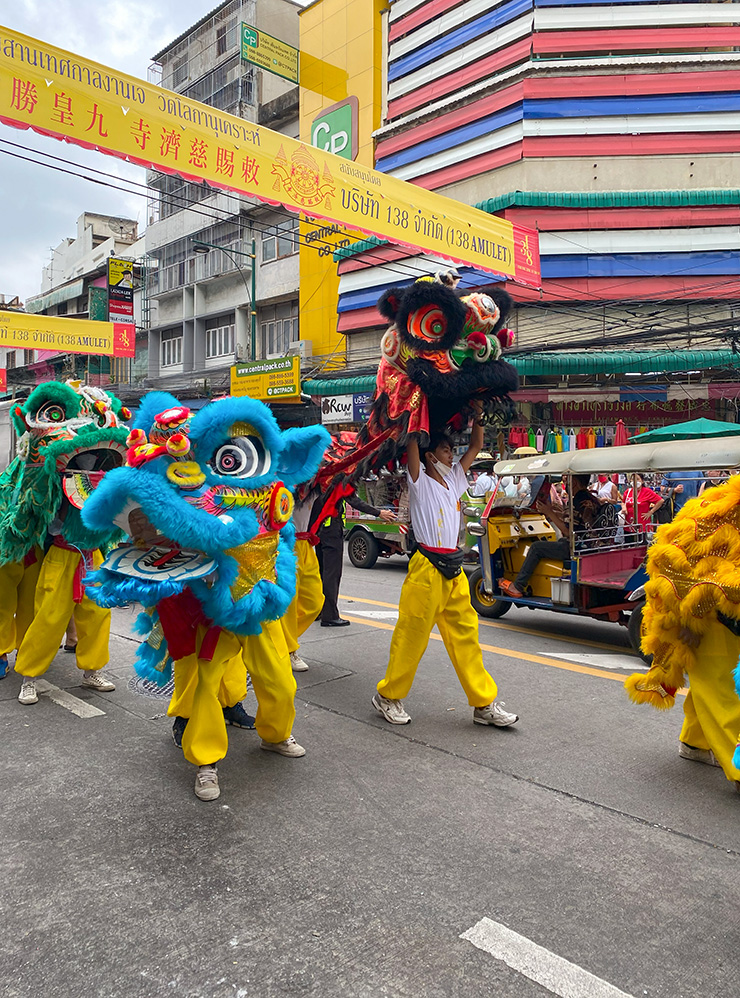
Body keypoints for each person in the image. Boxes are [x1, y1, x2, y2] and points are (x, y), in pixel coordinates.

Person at [372, 409, 519, 729]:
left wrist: (480, 412)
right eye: (446, 450)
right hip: (425, 567)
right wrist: (415, 407)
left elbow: (476, 446)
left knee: (467, 637)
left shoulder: (454, 479)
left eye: (452, 450)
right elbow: (412, 440)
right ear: (429, 455)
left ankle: (483, 704)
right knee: (411, 637)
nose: (452, 455)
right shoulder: (419, 478)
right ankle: (388, 697)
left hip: (453, 569)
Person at [499, 474, 599, 598]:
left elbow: (567, 531)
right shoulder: (592, 499)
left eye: (567, 481)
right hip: (589, 545)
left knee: (536, 548)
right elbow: (577, 524)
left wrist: (549, 512)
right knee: (560, 541)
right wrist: (555, 512)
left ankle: (518, 586)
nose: (565, 484)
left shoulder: (575, 502)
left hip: (577, 547)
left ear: (574, 483)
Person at [316, 493, 396, 627]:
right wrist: (378, 512)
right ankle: (329, 616)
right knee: (331, 574)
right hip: (332, 530)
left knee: (321, 571)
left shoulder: (320, 476)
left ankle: (318, 610)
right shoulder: (337, 478)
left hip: (319, 529)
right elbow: (353, 500)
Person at [281, 494, 325, 672]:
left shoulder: (316, 484)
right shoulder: (285, 479)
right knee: (290, 603)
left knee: (315, 602)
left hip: (306, 544)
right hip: (285, 545)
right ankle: (289, 649)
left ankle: (280, 641)